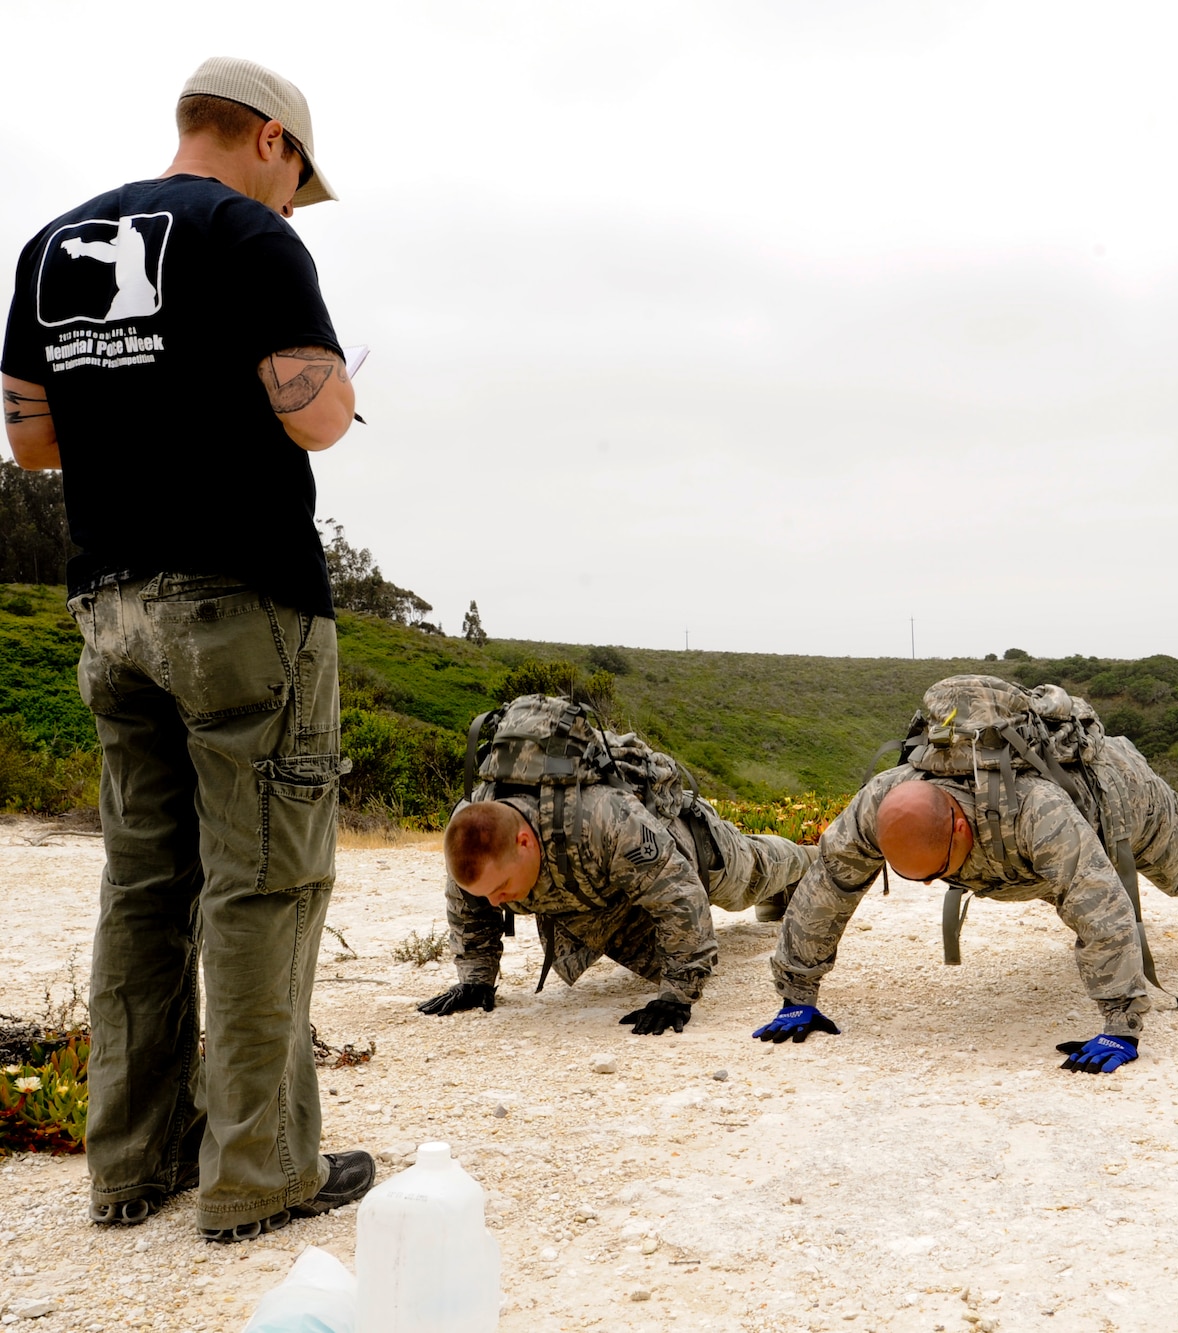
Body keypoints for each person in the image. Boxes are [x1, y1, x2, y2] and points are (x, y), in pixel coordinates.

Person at [1, 58, 370, 1241]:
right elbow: (313, 413)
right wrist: (331, 390)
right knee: (262, 882)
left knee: (144, 883)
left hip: (109, 605)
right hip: (241, 602)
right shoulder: (250, 240)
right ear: (270, 139)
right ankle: (256, 1174)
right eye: (296, 181)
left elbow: (35, 446)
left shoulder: (51, 245)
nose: (291, 205)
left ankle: (129, 1163)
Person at [755, 675, 1178, 1073]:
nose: (935, 884)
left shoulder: (1036, 810)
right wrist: (796, 996)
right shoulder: (880, 798)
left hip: (1121, 797)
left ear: (963, 832)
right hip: (1019, 858)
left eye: (940, 870)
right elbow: (828, 886)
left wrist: (1120, 1025)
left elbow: (1099, 902)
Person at [418, 783, 815, 1033]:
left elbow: (680, 896)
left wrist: (677, 995)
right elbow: (467, 907)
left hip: (684, 845)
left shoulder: (605, 819)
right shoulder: (472, 835)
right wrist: (476, 980)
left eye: (502, 888)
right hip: (608, 895)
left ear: (524, 842)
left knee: (749, 877)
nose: (495, 902)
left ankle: (808, 861)